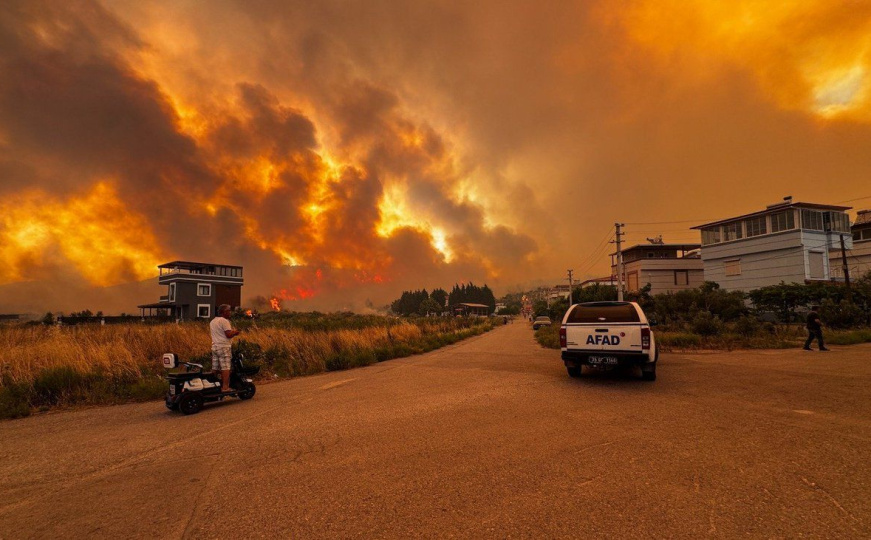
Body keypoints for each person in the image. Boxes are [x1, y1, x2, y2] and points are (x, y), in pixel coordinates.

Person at [210, 304, 241, 391]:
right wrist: (235, 332)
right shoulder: (224, 321)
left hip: (214, 346)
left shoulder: (212, 321)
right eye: (229, 311)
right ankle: (225, 387)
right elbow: (228, 335)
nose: (230, 312)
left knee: (215, 367)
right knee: (226, 368)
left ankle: (213, 385)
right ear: (224, 312)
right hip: (223, 347)